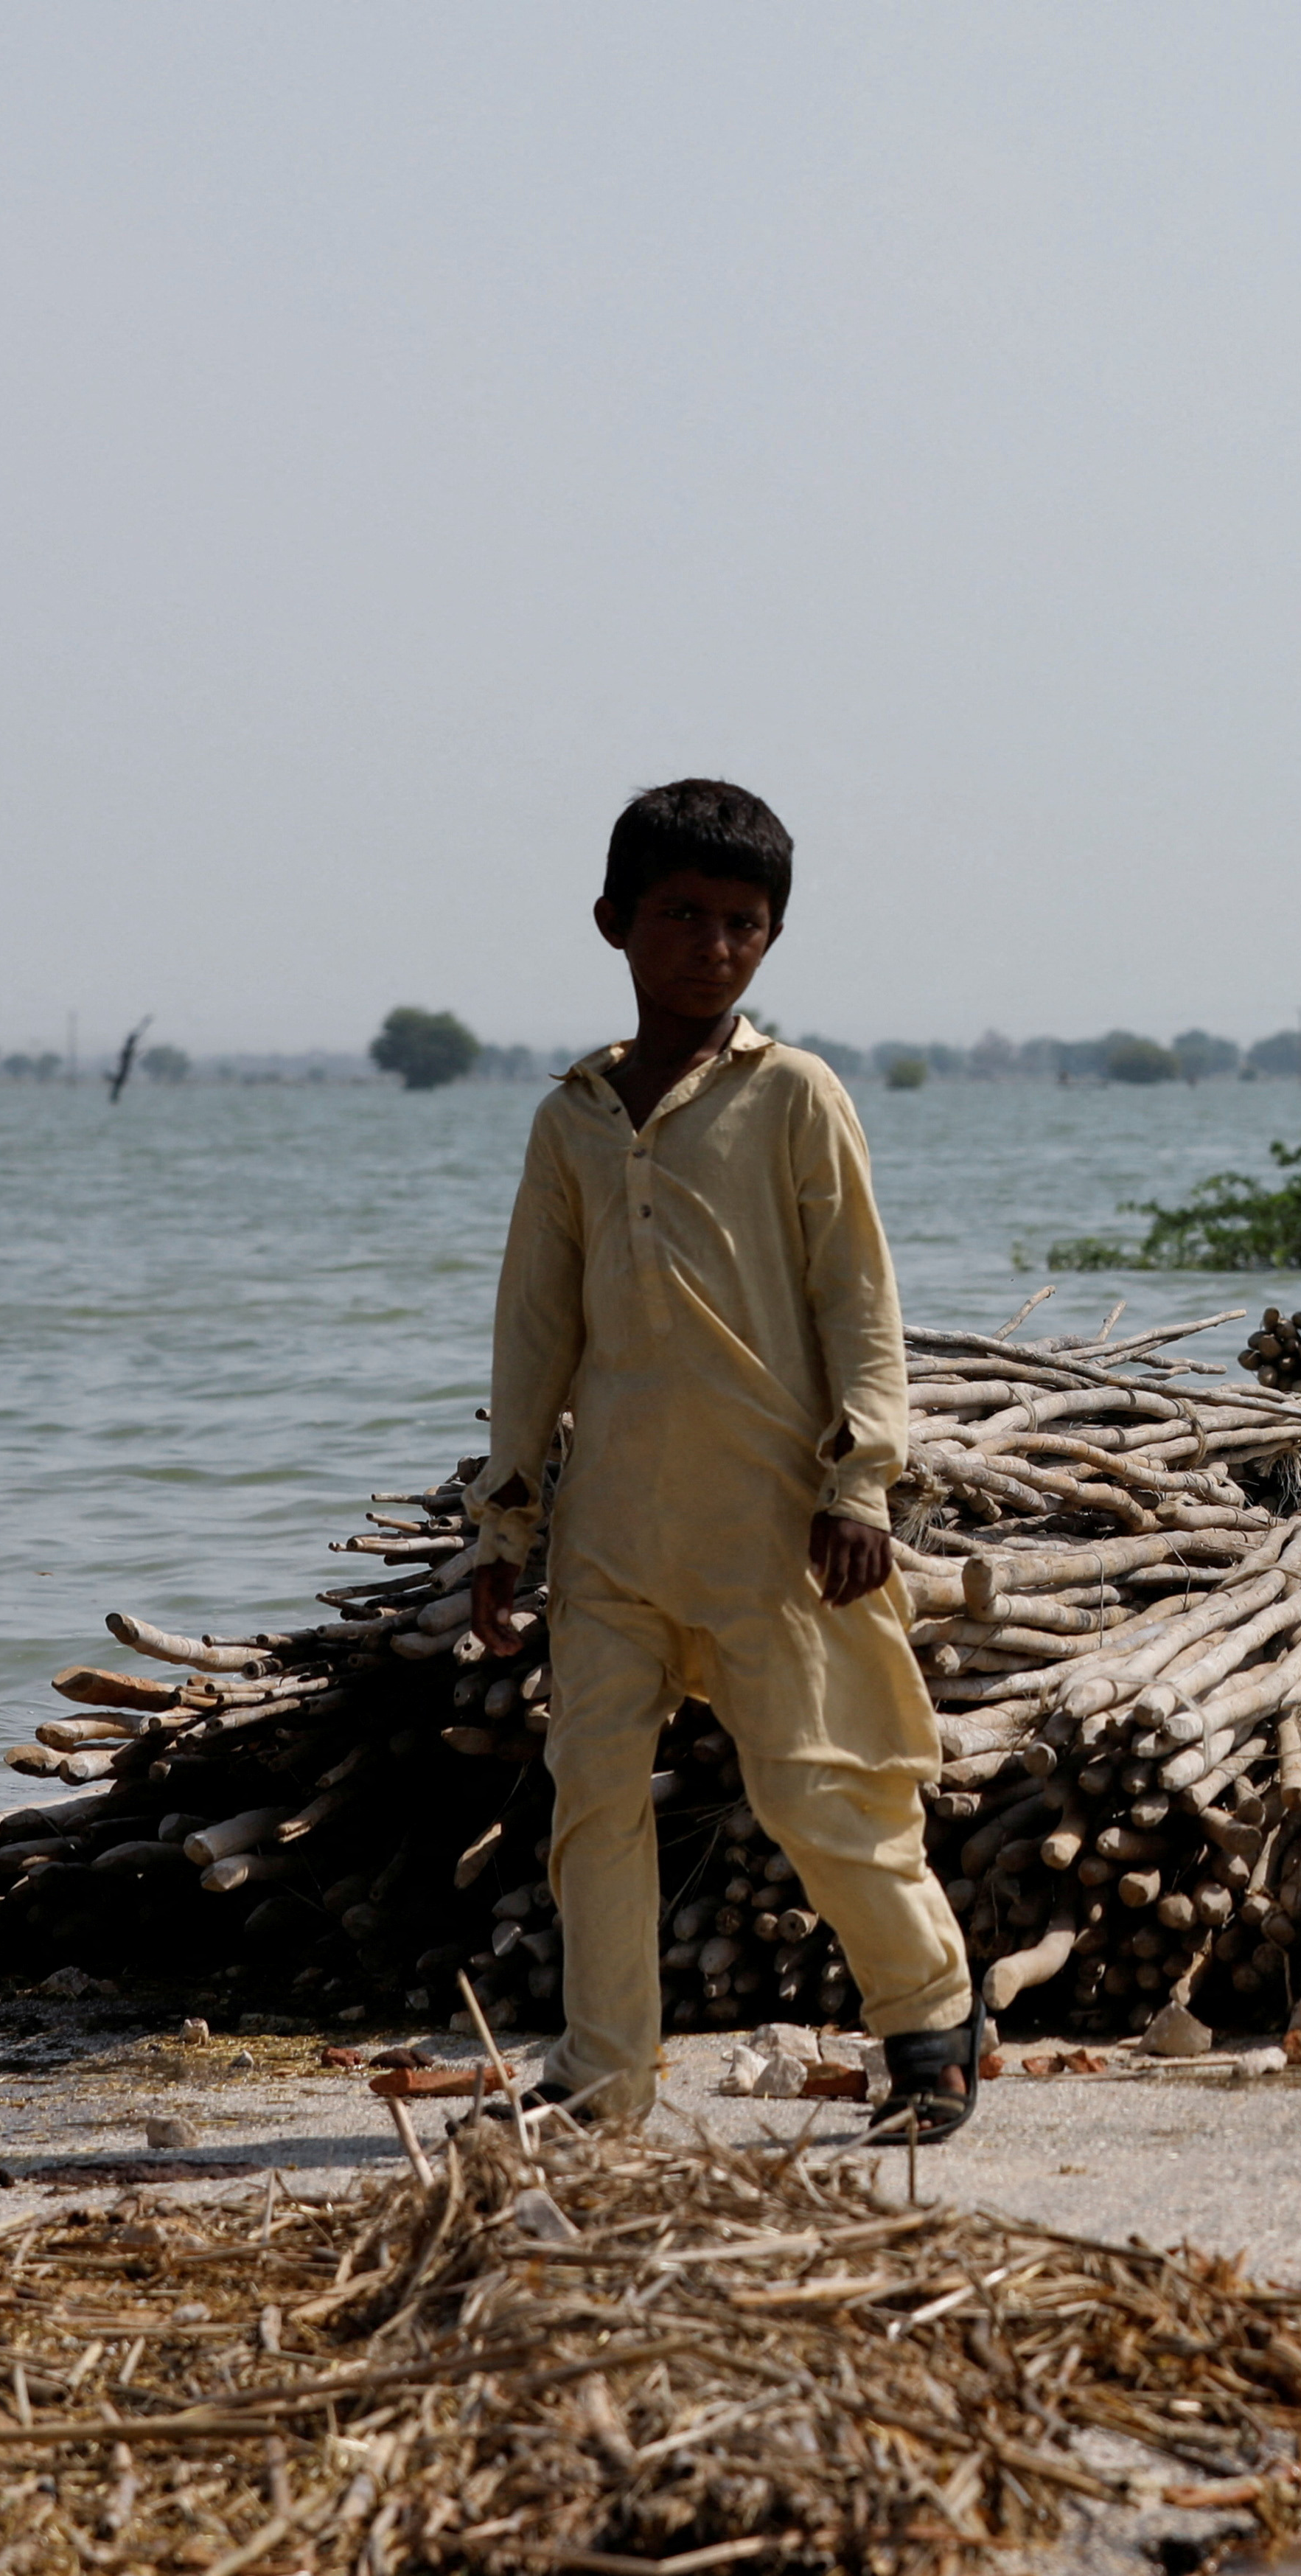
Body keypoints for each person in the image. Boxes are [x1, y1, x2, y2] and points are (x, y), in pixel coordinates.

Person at [465, 779, 982, 2148]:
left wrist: (861, 1479)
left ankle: (931, 2035)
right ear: (614, 922)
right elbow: (535, 1330)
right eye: (682, 915)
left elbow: (859, 1303)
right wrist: (504, 1522)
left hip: (776, 1524)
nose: (711, 945)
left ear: (771, 940)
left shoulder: (795, 1096)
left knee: (827, 1787)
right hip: (616, 1534)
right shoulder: (572, 1118)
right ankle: (603, 2077)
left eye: (743, 923)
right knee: (592, 1808)